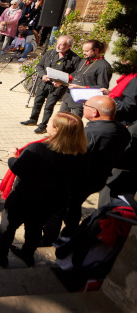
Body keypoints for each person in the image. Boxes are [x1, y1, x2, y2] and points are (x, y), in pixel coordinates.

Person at [0, 112, 87, 268]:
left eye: (50, 122)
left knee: (8, 226)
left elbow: (18, 168)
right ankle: (27, 254)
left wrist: (11, 155)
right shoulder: (80, 154)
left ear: (56, 129)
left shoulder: (38, 149)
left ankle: (0, 255)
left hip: (25, 198)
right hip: (51, 201)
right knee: (35, 228)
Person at [42, 96, 131, 243]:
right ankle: (69, 233)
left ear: (95, 112)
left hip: (79, 181)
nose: (83, 107)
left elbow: (73, 158)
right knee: (74, 206)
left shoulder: (89, 133)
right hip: (99, 178)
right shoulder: (122, 129)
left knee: (62, 207)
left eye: (85, 105)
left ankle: (53, 237)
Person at [21, 35, 80, 134]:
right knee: (37, 102)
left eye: (62, 45)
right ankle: (33, 119)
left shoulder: (75, 58)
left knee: (49, 106)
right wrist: (43, 75)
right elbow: (40, 66)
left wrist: (63, 81)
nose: (59, 46)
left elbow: (75, 73)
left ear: (69, 46)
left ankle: (43, 125)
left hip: (57, 87)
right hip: (44, 83)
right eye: (58, 43)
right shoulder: (50, 53)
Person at [59, 40, 113, 116]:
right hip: (68, 96)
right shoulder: (84, 60)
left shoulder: (104, 66)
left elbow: (102, 87)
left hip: (81, 101)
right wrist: (61, 79)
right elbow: (76, 74)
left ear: (96, 50)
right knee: (59, 120)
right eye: (83, 50)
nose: (84, 53)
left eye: (87, 51)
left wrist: (81, 87)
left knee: (73, 124)